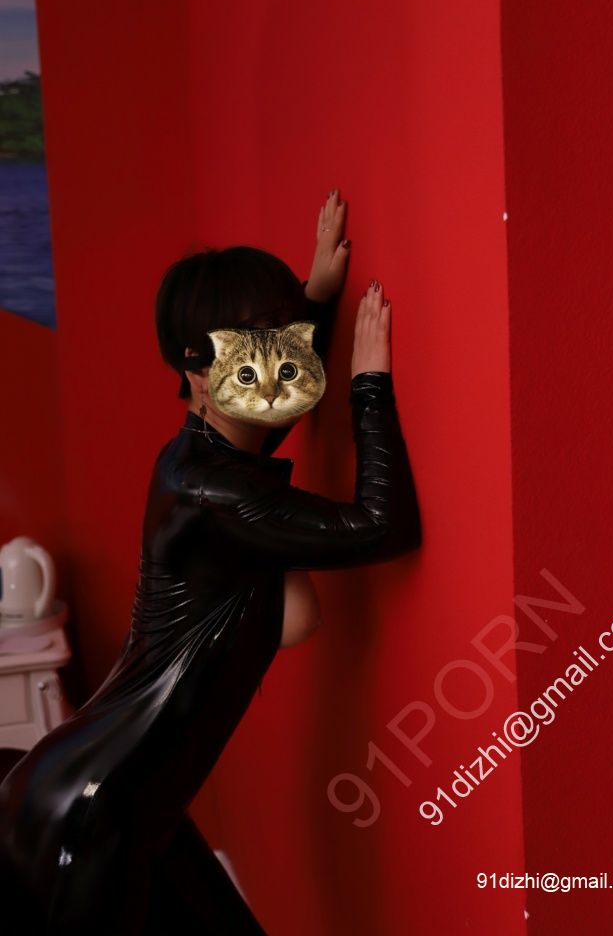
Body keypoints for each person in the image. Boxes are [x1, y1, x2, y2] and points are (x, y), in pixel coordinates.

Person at [0, 188, 422, 934]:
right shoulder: (212, 490)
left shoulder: (211, 457)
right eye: (256, 349)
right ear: (198, 372)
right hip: (92, 813)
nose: (284, 366)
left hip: (120, 796)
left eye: (289, 340)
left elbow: (271, 399)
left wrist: (316, 295)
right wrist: (368, 384)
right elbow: (381, 526)